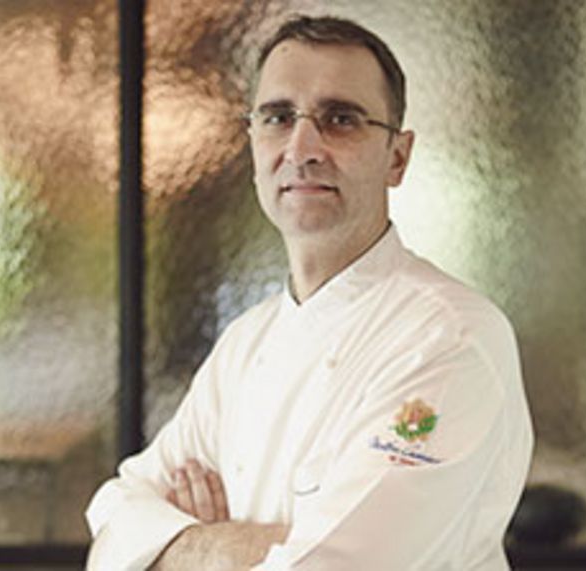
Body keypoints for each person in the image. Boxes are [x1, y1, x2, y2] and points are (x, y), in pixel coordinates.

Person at [86, 14, 533, 570]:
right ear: (253, 143)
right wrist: (248, 544)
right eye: (278, 118)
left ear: (397, 157)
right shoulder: (245, 344)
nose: (301, 148)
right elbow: (112, 527)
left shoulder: (450, 338)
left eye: (340, 119)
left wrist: (184, 546)